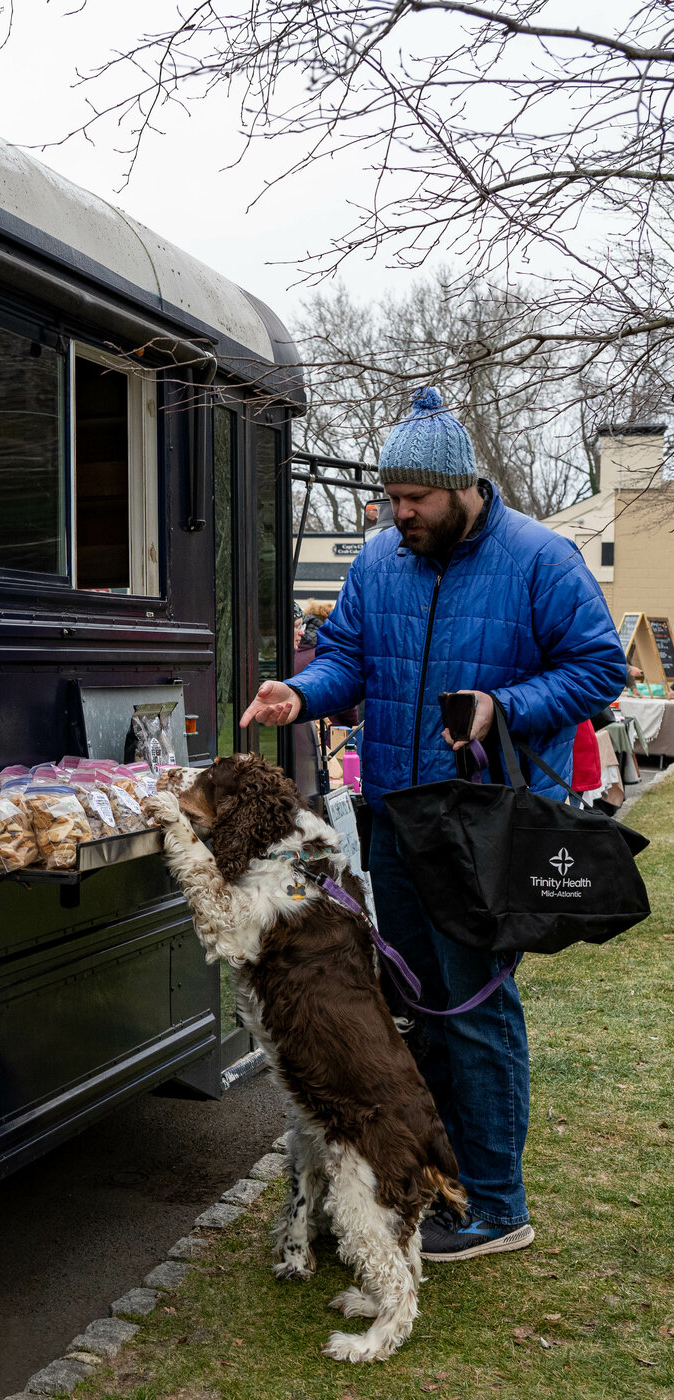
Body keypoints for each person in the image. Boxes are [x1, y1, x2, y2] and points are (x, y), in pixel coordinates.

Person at [241, 385, 626, 1261]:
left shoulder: (541, 557)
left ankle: (498, 1205)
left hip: (486, 823)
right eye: (392, 499)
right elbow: (347, 656)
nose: (398, 514)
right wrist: (300, 692)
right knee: (415, 1006)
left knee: (476, 1009)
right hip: (395, 815)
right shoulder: (381, 560)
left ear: (462, 488)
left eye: (414, 500)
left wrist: (504, 705)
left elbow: (598, 669)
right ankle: (437, 1185)